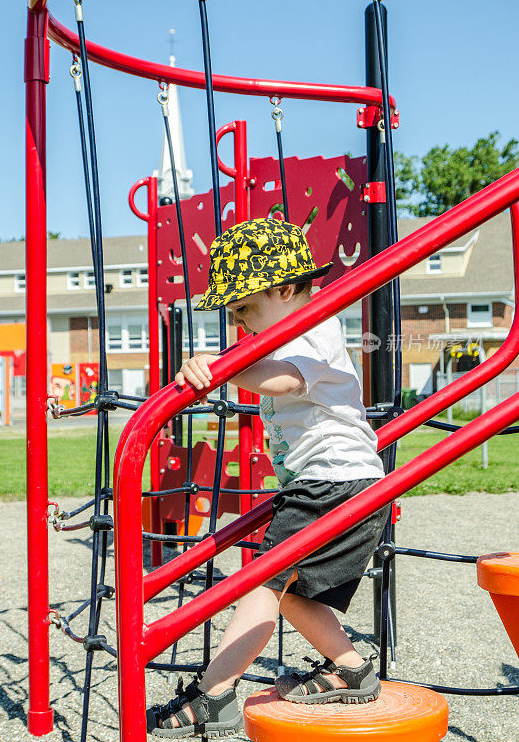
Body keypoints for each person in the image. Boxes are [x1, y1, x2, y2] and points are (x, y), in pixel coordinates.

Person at [147, 218, 388, 738]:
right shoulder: (282, 335)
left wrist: (220, 369)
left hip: (334, 481)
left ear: (283, 289)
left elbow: (283, 380)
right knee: (295, 594)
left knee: (263, 579)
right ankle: (351, 669)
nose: (241, 322)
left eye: (244, 307)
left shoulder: (317, 325)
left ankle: (214, 695)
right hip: (332, 485)